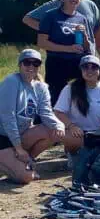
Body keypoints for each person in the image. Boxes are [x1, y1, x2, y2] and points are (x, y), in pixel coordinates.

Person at [0, 50, 64, 184]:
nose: (31, 66)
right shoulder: (11, 81)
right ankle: (11, 161)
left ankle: (27, 161)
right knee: (27, 178)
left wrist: (59, 125)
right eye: (27, 62)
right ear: (20, 65)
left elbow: (46, 113)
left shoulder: (41, 87)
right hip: (3, 137)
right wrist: (18, 148)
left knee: (54, 131)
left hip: (21, 134)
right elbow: (7, 117)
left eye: (35, 63)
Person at [37, 0, 94, 104]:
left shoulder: (82, 18)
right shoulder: (51, 16)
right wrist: (68, 49)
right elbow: (42, 43)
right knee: (56, 98)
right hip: (57, 63)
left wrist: (83, 35)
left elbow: (87, 48)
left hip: (77, 64)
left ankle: (76, 122)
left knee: (79, 98)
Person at [54, 55, 100, 156]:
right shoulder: (70, 88)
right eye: (85, 67)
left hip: (99, 134)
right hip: (77, 134)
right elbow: (58, 112)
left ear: (99, 70)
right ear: (81, 70)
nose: (89, 70)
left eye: (94, 67)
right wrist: (71, 126)